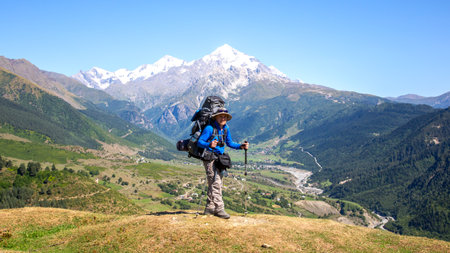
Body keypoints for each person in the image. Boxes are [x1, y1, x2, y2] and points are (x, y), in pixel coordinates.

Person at [197, 107, 249, 219]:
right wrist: (209, 145)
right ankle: (219, 209)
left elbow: (229, 143)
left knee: (215, 182)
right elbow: (200, 142)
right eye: (221, 116)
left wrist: (241, 146)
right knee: (216, 183)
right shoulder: (209, 128)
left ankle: (210, 208)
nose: (223, 118)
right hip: (209, 158)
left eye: (225, 116)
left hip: (219, 159)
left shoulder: (225, 129)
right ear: (216, 117)